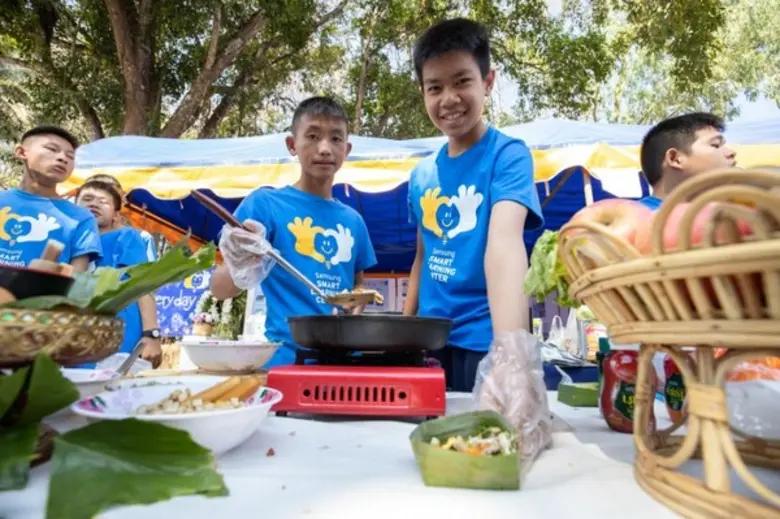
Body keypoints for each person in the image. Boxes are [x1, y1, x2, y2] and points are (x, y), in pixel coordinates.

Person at [401, 19, 544, 392]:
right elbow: (423, 257)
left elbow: (505, 245)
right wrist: (403, 331)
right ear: (422, 92)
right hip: (429, 341)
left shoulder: (507, 155)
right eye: (435, 87)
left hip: (484, 339)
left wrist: (511, 356)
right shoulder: (421, 175)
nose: (448, 98)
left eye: (462, 81)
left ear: (488, 81)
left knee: (483, 441)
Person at [211, 96, 377, 367]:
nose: (324, 148)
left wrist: (356, 306)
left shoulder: (354, 221)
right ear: (292, 145)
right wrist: (241, 262)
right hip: (286, 362)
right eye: (312, 136)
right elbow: (219, 289)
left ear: (346, 150)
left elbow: (358, 285)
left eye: (336, 139)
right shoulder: (265, 206)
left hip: (344, 362)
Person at [75, 180, 162, 366]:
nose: (94, 204)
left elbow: (142, 285)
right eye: (87, 199)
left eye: (103, 201)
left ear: (116, 213)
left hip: (120, 335)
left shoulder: (127, 238)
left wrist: (151, 334)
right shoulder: (67, 240)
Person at [0, 126, 101, 271]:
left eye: (70, 156)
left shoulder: (82, 218)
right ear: (21, 152)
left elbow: (77, 279)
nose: (62, 158)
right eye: (52, 149)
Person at [639, 112, 737, 210]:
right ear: (675, 159)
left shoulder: (723, 219)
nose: (732, 152)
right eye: (715, 145)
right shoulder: (634, 219)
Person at [86, 173, 158, 261]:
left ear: (122, 202)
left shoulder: (141, 238)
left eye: (103, 201)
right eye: (89, 199)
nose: (95, 204)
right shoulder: (73, 235)